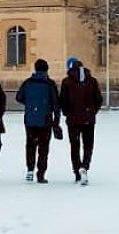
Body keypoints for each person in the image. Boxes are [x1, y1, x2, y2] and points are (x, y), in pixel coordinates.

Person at [14, 58, 60, 184]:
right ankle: (41, 174)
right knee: (43, 148)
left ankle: (30, 169)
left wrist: (29, 103)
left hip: (30, 119)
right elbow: (56, 104)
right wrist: (56, 121)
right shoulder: (49, 84)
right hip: (45, 120)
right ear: (46, 69)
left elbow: (18, 97)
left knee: (30, 145)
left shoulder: (28, 82)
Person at [59, 57, 104, 186]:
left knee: (75, 145)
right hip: (89, 119)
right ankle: (85, 166)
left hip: (73, 119)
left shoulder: (66, 82)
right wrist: (92, 111)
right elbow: (99, 99)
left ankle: (77, 171)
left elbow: (62, 100)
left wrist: (67, 112)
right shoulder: (92, 81)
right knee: (88, 145)